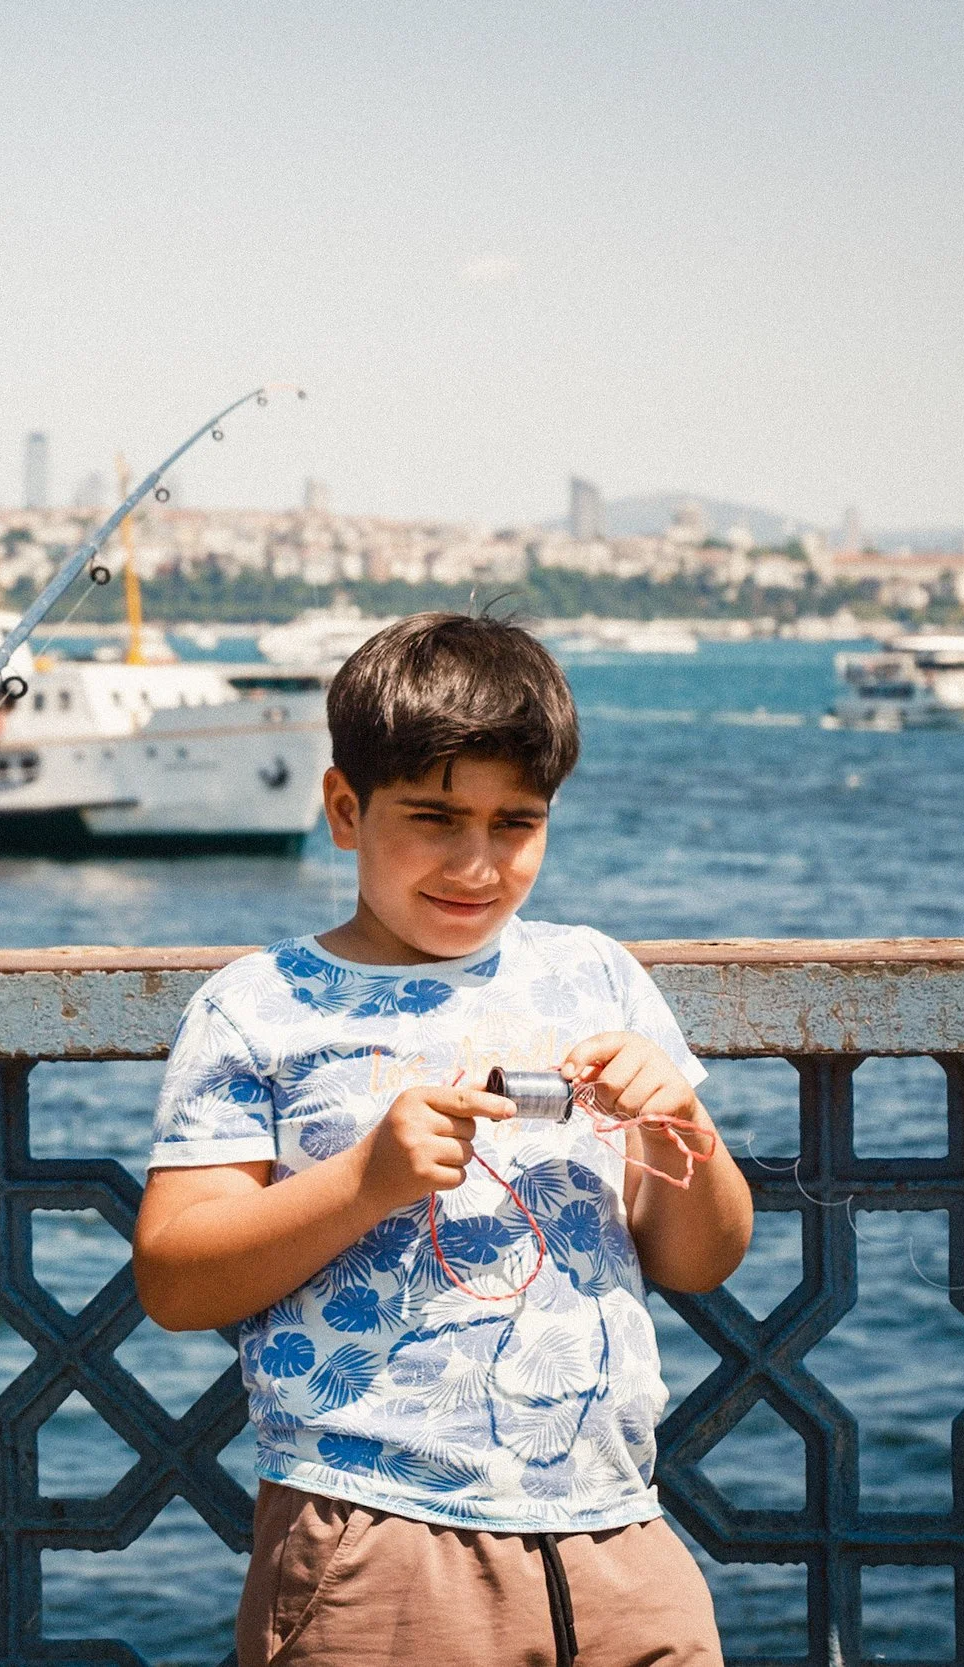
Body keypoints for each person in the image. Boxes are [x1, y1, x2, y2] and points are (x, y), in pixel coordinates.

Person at [132, 613, 753, 1667]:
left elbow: (703, 1255)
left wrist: (677, 1121)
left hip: (618, 1525)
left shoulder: (596, 972)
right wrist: (365, 1180)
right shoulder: (258, 1006)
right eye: (432, 816)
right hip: (376, 1534)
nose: (476, 862)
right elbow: (176, 1279)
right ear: (344, 808)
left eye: (515, 822)